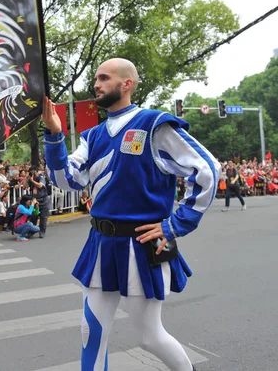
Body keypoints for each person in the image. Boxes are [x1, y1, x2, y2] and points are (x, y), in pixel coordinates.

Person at [41, 58, 220, 371]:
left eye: (104, 78)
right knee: (90, 332)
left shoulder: (155, 124)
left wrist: (176, 224)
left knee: (149, 336)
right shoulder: (92, 136)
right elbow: (64, 180)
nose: (96, 84)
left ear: (127, 84)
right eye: (95, 78)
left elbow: (208, 169)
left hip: (144, 243)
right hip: (100, 244)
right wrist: (54, 136)